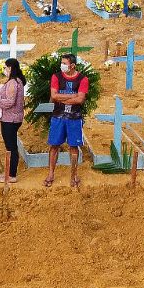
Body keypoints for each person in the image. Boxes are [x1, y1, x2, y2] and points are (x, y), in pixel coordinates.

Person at [45, 53, 88, 189]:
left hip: (74, 118)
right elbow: (53, 96)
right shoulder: (56, 77)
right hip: (58, 116)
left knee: (73, 147)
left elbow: (80, 99)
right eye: (62, 63)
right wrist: (72, 96)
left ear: (73, 65)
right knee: (54, 146)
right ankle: (51, 173)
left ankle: (74, 174)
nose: (62, 65)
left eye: (65, 63)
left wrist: (62, 98)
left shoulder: (83, 79)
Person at [0, 58, 26, 184]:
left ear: (10, 68)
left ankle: (12, 174)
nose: (5, 70)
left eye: (6, 67)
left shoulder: (13, 82)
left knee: (11, 146)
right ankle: (8, 172)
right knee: (11, 146)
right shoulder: (17, 81)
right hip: (13, 118)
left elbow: (10, 101)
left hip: (10, 119)